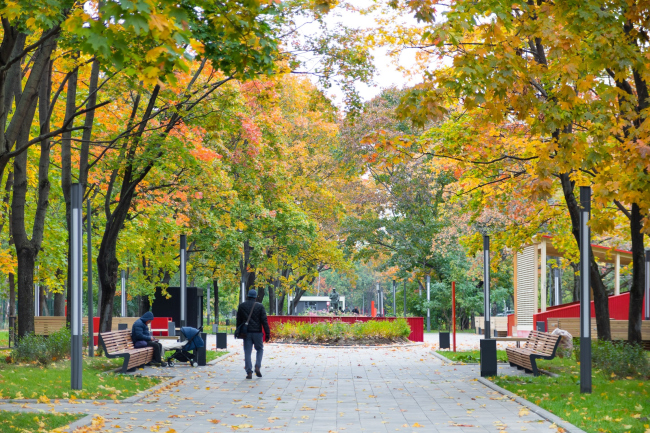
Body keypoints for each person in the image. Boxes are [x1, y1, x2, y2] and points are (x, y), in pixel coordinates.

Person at [236, 289, 270, 379]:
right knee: (259, 349)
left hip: (246, 333)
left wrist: (238, 331)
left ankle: (249, 372)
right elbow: (264, 321)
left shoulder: (242, 306)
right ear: (255, 297)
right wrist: (267, 333)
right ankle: (257, 366)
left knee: (247, 352)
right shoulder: (260, 306)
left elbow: (238, 320)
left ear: (247, 296)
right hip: (257, 333)